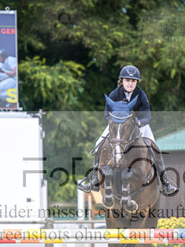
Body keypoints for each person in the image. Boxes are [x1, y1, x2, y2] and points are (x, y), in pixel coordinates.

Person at [77, 65, 179, 196]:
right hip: (117, 126)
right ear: (122, 81)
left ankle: (165, 182)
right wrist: (115, 122)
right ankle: (94, 180)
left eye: (133, 81)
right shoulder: (114, 94)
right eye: (127, 80)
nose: (130, 83)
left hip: (139, 125)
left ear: (137, 82)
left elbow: (147, 117)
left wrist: (138, 123)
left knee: (155, 148)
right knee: (98, 145)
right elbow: (106, 115)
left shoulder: (141, 95)